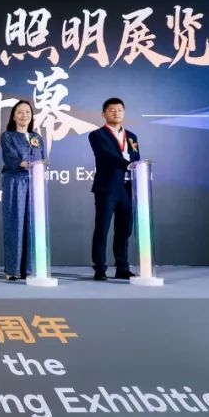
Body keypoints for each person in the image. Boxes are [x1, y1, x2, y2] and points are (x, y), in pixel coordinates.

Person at [89, 97, 140, 280]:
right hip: (107, 188)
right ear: (103, 114)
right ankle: (100, 268)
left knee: (124, 229)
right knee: (102, 228)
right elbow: (107, 156)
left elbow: (136, 158)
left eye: (119, 110)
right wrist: (128, 164)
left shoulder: (132, 136)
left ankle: (122, 267)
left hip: (127, 188)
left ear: (124, 113)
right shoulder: (97, 135)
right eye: (112, 110)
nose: (116, 113)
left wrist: (137, 165)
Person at [0, 100, 46, 281]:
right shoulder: (7, 136)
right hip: (15, 181)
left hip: (35, 183)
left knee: (33, 224)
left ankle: (30, 268)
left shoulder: (37, 137)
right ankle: (12, 270)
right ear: (13, 116)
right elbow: (10, 157)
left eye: (27, 112)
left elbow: (42, 158)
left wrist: (38, 165)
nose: (24, 115)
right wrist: (25, 163)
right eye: (20, 112)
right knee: (15, 224)